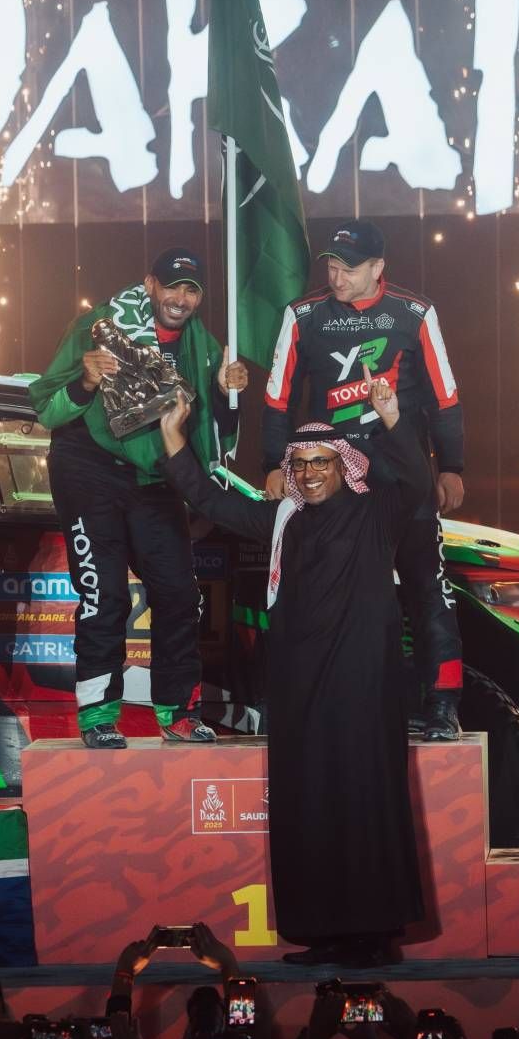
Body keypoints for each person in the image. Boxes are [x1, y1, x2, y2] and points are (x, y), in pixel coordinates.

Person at [157, 365, 428, 968]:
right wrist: (173, 434)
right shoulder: (283, 520)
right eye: (299, 465)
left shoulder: (376, 512)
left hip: (362, 686)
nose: (309, 474)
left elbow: (416, 478)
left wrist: (391, 417)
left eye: (321, 463)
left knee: (362, 799)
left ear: (343, 466)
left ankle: (373, 935)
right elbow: (209, 499)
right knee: (307, 803)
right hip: (300, 687)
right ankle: (322, 931)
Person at [27, 248, 247, 748]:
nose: (181, 299)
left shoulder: (203, 346)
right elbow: (47, 410)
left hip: (153, 476)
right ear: (150, 285)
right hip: (88, 468)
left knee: (179, 594)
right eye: (172, 286)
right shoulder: (98, 326)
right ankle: (98, 716)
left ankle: (179, 712)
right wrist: (86, 379)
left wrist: (226, 392)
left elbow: (213, 433)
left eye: (191, 290)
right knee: (104, 595)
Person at [261, 220, 466, 740]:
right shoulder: (302, 315)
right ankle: (317, 698)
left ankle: (443, 703)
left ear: (378, 267)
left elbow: (445, 397)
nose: (337, 276)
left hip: (402, 475)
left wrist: (452, 467)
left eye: (349, 268)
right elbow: (278, 398)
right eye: (332, 265)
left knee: (427, 583)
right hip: (333, 480)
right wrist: (273, 464)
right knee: (324, 588)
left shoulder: (415, 312)